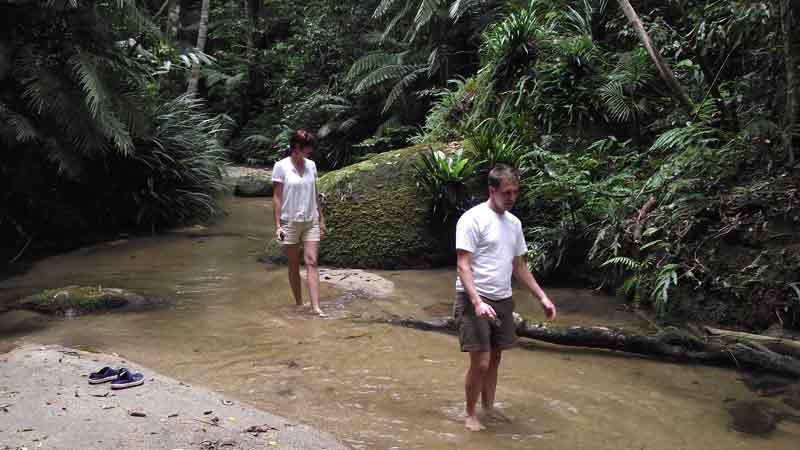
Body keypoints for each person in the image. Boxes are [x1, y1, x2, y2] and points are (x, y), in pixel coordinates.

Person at [453, 164, 557, 431]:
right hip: (473, 296)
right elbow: (463, 265)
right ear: (492, 190)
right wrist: (476, 302)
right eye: (507, 193)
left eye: (515, 192)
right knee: (482, 361)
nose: (512, 198)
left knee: (496, 358)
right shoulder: (472, 219)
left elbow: (519, 266)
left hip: (502, 298)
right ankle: (470, 413)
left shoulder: (514, 224)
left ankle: (488, 407)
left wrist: (542, 297)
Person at [272, 129, 327, 316]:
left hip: (310, 220)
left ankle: (315, 307)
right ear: (297, 147)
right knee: (294, 264)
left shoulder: (312, 165)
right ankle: (299, 303)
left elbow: (315, 193)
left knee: (312, 261)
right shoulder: (281, 166)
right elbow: (277, 197)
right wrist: (278, 225)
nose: (311, 150)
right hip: (290, 222)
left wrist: (321, 220)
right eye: (308, 147)